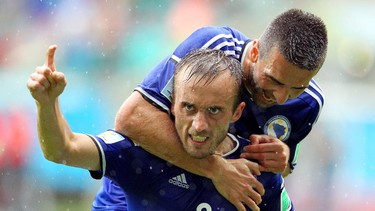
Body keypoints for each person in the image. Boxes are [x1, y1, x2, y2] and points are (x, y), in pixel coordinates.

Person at [96, 8, 328, 210]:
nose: (281, 98)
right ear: (256, 52)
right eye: (274, 80)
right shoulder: (214, 47)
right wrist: (215, 169)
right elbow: (132, 119)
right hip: (137, 193)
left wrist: (280, 160)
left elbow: (283, 170)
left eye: (297, 87)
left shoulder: (308, 103)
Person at [27, 47, 293, 210]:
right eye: (189, 108)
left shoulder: (257, 175)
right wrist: (47, 103)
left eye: (214, 111)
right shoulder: (140, 153)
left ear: (237, 113)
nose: (199, 125)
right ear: (172, 106)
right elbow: (62, 149)